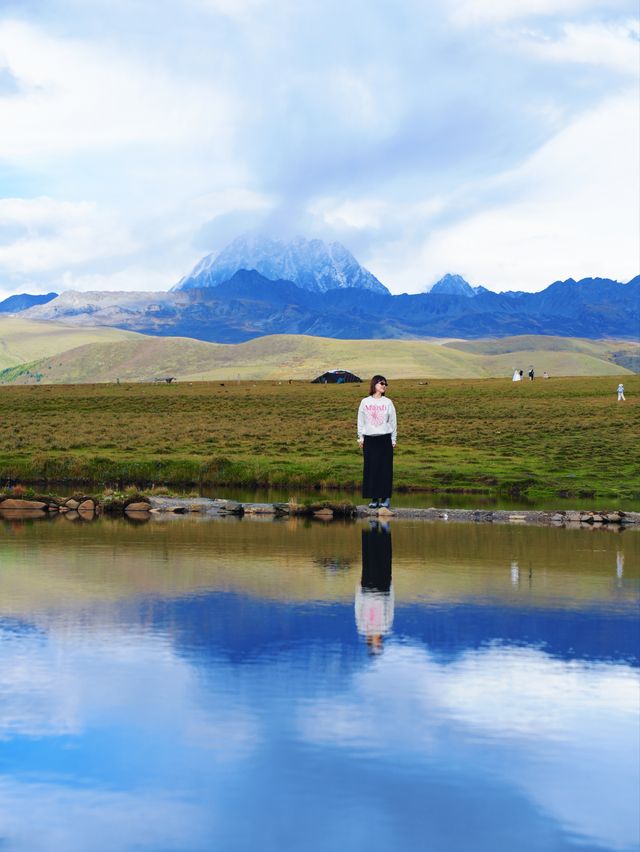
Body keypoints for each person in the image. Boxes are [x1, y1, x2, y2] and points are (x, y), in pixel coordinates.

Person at [357, 375, 397, 509]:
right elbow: (361, 421)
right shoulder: (365, 402)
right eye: (382, 383)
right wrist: (361, 438)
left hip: (384, 438)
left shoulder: (388, 402)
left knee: (385, 469)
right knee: (371, 468)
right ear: (374, 384)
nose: (384, 386)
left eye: (386, 384)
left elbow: (393, 422)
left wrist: (393, 439)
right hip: (369, 439)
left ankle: (385, 498)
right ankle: (374, 498)